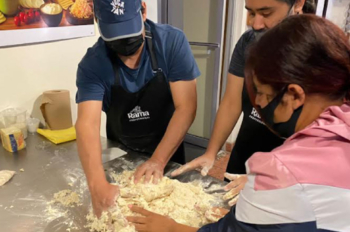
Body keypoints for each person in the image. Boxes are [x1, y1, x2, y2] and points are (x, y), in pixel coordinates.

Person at [126, 14, 350, 232]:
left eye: (262, 94)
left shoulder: (282, 172)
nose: (258, 104)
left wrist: (170, 228)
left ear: (294, 95)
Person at [171, 0, 316, 206]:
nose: (255, 24)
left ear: (298, 3)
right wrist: (212, 152)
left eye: (266, 13)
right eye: (250, 12)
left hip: (292, 169)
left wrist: (269, 176)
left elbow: (324, 142)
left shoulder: (319, 52)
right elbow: (232, 101)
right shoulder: (248, 44)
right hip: (247, 151)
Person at [75, 0, 200, 216]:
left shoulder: (171, 42)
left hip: (168, 147)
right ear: (97, 22)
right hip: (122, 152)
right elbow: (87, 124)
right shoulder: (92, 64)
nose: (125, 44)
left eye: (130, 33)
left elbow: (187, 107)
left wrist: (158, 161)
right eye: (115, 37)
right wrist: (97, 185)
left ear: (143, 11)